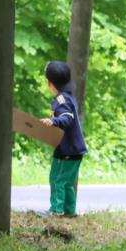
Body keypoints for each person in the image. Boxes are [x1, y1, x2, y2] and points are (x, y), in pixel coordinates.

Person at [39, 61, 87, 216]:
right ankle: (69, 211)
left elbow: (67, 118)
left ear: (50, 83)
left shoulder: (62, 100)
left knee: (57, 179)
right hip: (76, 149)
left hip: (67, 150)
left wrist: (54, 121)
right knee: (67, 183)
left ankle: (56, 211)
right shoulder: (69, 97)